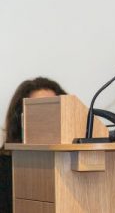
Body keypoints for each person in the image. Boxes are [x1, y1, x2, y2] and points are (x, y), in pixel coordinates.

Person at [1, 77, 67, 213]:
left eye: (54, 109)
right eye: (40, 110)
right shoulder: (4, 166)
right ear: (20, 120)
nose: (48, 119)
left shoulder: (71, 163)